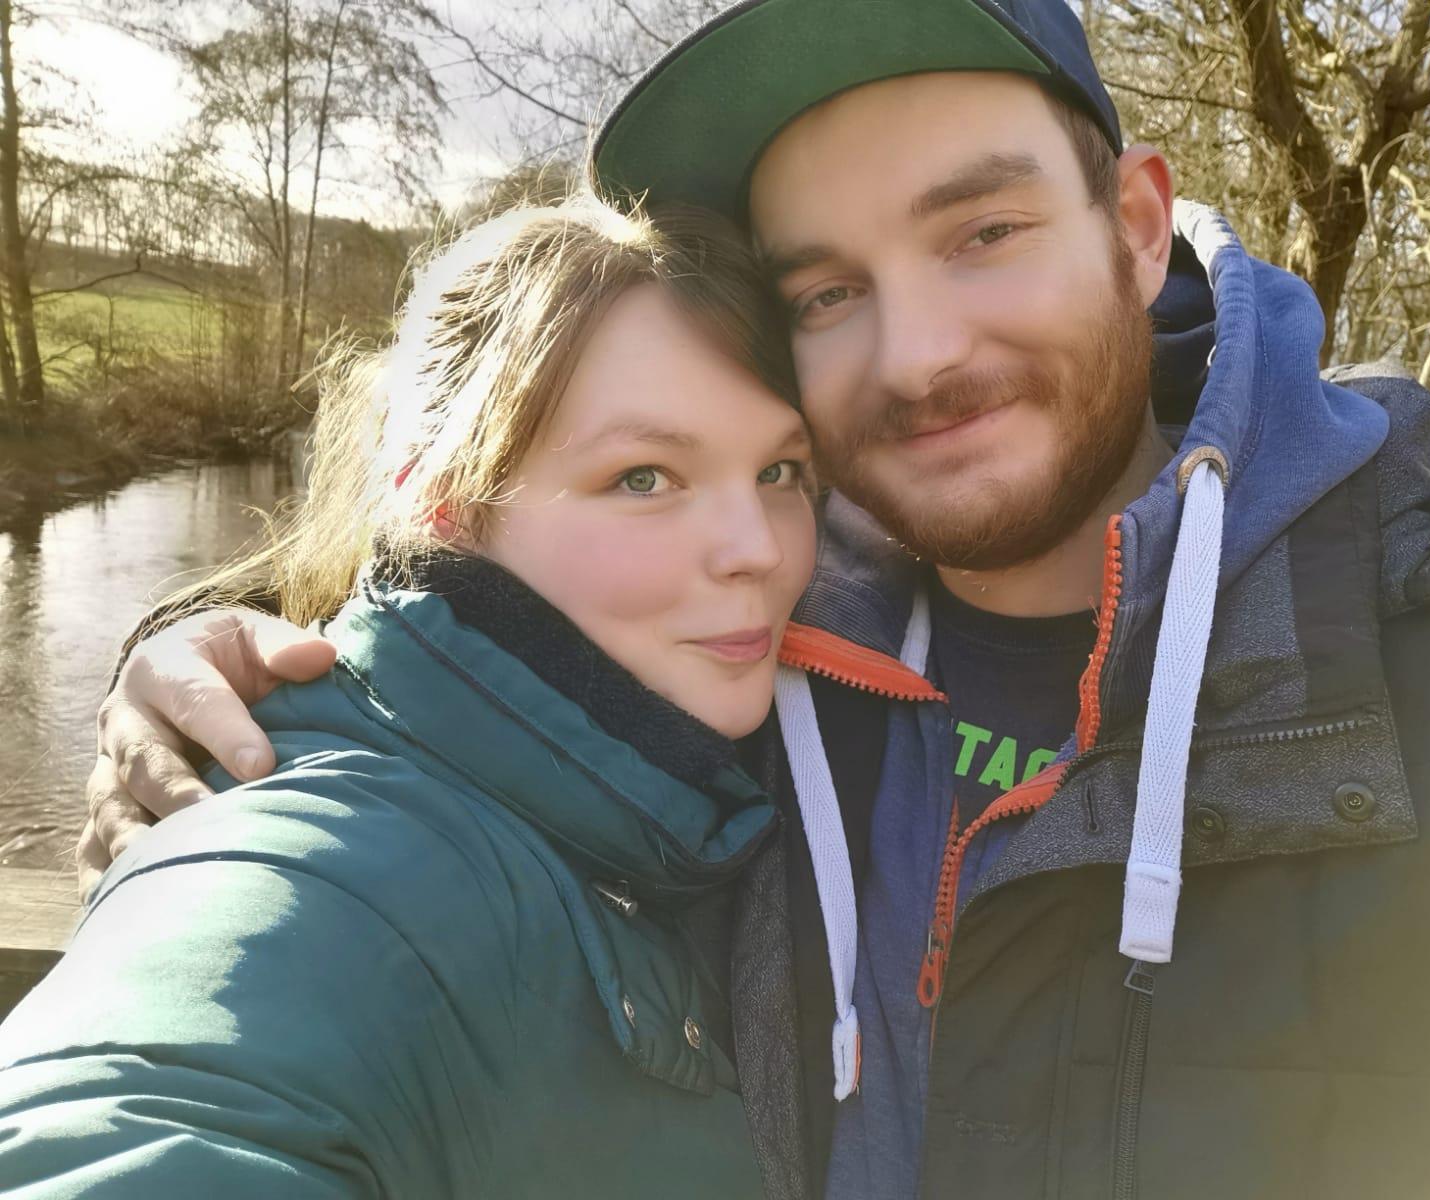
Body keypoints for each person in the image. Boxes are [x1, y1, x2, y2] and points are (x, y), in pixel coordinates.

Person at [75, 0, 1430, 1196]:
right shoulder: (754, 651)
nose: (918, 353)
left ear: (1140, 226)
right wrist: (199, 674)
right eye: (825, 291)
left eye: (983, 233)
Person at [0, 193, 820, 1196]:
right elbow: (134, 1117)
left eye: (781, 470)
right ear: (442, 501)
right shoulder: (320, 861)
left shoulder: (678, 762)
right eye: (644, 478)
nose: (758, 548)